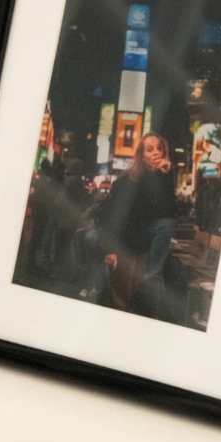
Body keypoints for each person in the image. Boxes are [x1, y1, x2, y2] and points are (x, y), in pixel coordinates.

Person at [83, 133, 176, 312]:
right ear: (142, 155)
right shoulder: (128, 179)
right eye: (150, 149)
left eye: (159, 149)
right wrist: (111, 248)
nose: (156, 153)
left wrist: (166, 176)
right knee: (92, 238)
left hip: (139, 236)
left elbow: (169, 213)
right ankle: (96, 288)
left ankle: (150, 280)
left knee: (166, 224)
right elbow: (112, 214)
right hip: (120, 234)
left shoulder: (162, 177)